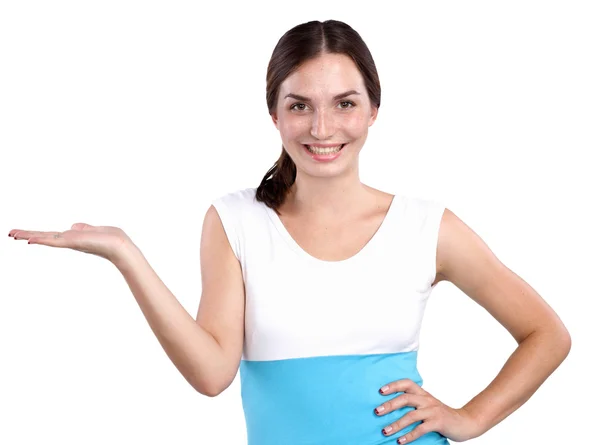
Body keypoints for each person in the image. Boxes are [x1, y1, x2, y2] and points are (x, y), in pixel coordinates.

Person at [8, 19, 571, 445]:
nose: (322, 128)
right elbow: (210, 375)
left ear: (374, 109)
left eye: (344, 104)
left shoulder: (425, 226)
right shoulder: (235, 221)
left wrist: (469, 418)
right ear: (274, 115)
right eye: (300, 106)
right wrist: (125, 254)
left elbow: (547, 334)